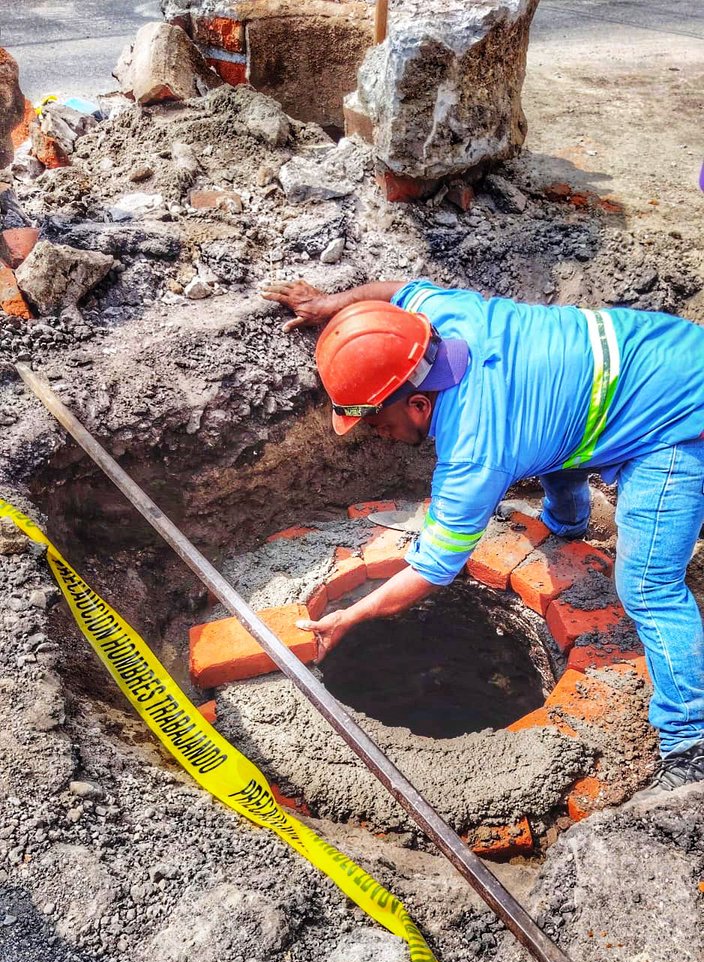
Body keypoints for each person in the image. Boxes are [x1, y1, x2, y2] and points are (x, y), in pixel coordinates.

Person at [262, 277, 704, 801]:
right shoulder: (442, 320)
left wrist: (351, 615)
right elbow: (399, 288)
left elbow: (432, 568)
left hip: (680, 416)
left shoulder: (475, 451)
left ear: (420, 404)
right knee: (551, 430)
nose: (373, 433)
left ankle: (689, 745)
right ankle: (566, 530)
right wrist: (329, 307)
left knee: (647, 587)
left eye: (375, 420)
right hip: (659, 348)